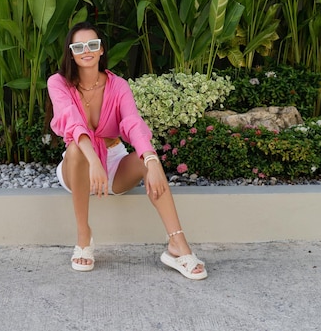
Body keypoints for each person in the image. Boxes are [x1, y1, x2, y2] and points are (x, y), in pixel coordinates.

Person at [47, 21, 207, 280]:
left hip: (114, 161)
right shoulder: (59, 83)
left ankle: (178, 246)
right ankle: (83, 237)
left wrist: (151, 160)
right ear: (71, 53)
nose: (86, 50)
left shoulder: (117, 85)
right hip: (78, 164)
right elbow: (71, 120)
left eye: (93, 44)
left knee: (149, 163)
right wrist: (94, 161)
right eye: (78, 46)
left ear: (101, 50)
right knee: (77, 147)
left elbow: (132, 123)